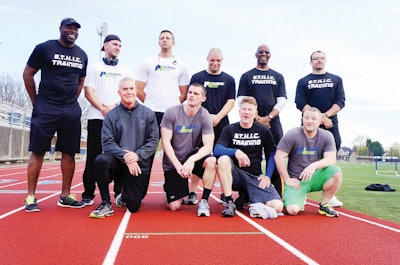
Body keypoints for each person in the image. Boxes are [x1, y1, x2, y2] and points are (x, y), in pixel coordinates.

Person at [22, 18, 88, 212]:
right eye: (69, 27)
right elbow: (27, 74)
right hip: (46, 106)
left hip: (70, 109)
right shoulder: (44, 48)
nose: (72, 31)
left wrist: (71, 100)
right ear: (60, 29)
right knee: (38, 150)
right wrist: (36, 101)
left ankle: (65, 195)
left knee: (69, 152)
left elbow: (81, 80)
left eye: (76, 28)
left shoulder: (82, 54)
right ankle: (31, 197)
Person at [89, 77, 159, 218]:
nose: (129, 92)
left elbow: (153, 141)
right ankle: (106, 203)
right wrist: (126, 157)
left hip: (138, 165)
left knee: (133, 206)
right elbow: (107, 143)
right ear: (119, 92)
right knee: (100, 161)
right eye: (125, 89)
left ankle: (123, 193)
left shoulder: (148, 113)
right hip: (117, 162)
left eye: (132, 88)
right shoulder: (111, 116)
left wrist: (136, 156)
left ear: (136, 91)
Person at [81, 34, 133, 206]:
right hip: (97, 118)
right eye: (114, 44)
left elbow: (129, 93)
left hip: (119, 119)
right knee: (93, 157)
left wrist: (114, 107)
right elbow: (88, 92)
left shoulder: (125, 69)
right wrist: (103, 108)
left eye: (120, 45)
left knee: (119, 156)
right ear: (105, 46)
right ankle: (88, 194)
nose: (118, 47)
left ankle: (119, 192)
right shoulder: (95, 67)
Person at [214, 96, 283, 217]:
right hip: (235, 175)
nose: (246, 112)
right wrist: (236, 151)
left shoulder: (263, 130)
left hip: (254, 178)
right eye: (244, 109)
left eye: (250, 110)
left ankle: (254, 204)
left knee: (278, 206)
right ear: (239, 111)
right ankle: (229, 202)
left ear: (255, 113)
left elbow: (271, 154)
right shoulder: (229, 129)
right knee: (223, 159)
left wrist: (267, 176)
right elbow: (217, 150)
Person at [183, 48, 236, 205]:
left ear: (222, 60)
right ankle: (192, 192)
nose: (215, 63)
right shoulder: (197, 77)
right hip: (199, 124)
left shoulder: (229, 79)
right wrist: (206, 117)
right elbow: (192, 98)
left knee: (222, 159)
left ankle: (224, 193)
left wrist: (218, 117)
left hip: (221, 124)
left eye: (218, 60)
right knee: (199, 156)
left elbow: (231, 101)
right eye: (212, 60)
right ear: (207, 59)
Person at [295, 50, 346, 207]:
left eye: (322, 58)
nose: (319, 61)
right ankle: (301, 193)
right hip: (309, 124)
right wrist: (317, 118)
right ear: (310, 62)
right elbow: (300, 102)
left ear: (325, 61)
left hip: (331, 124)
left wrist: (326, 116)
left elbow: (341, 101)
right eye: (315, 59)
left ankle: (329, 196)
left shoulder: (336, 79)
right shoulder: (303, 81)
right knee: (305, 157)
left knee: (330, 159)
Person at [237, 44, 287, 197]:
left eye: (266, 52)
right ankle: (246, 194)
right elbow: (241, 99)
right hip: (251, 122)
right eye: (260, 52)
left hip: (273, 122)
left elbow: (282, 100)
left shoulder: (278, 76)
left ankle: (277, 193)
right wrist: (256, 118)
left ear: (270, 55)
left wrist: (268, 117)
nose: (263, 54)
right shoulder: (247, 76)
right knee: (250, 157)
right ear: (256, 54)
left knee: (277, 155)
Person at [274, 107, 343, 217]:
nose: (309, 121)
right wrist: (287, 179)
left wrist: (314, 165)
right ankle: (297, 198)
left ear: (320, 121)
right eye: (306, 118)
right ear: (302, 119)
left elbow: (331, 159)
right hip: (297, 181)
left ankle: (325, 204)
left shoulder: (327, 136)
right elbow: (279, 156)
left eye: (314, 119)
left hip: (314, 176)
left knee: (336, 172)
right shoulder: (293, 134)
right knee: (292, 210)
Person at [160, 83, 216, 217]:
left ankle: (204, 200)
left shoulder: (205, 115)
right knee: (174, 206)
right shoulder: (172, 112)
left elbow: (208, 145)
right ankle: (167, 190)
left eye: (196, 94)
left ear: (203, 98)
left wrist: (191, 160)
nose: (191, 95)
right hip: (175, 161)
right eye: (190, 92)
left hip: (192, 157)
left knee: (212, 161)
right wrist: (178, 165)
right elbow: (165, 142)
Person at [135, 29, 190, 127]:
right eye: (162, 38)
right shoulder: (148, 62)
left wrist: (174, 103)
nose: (164, 40)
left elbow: (185, 93)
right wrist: (149, 103)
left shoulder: (181, 66)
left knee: (169, 142)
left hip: (172, 112)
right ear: (158, 42)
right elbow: (138, 89)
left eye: (168, 38)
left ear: (173, 42)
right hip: (151, 111)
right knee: (150, 142)